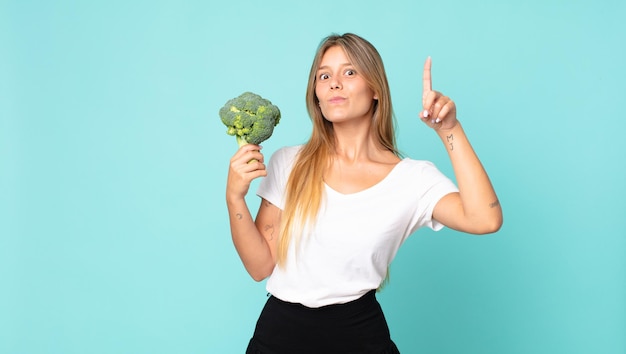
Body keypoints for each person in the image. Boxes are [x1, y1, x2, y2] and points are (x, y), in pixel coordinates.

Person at [226, 32, 502, 354]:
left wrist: (449, 129)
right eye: (324, 75)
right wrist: (235, 197)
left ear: (375, 89)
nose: (334, 83)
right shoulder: (289, 162)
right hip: (279, 336)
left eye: (350, 72)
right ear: (316, 94)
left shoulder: (412, 179)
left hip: (359, 335)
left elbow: (485, 218)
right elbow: (260, 267)